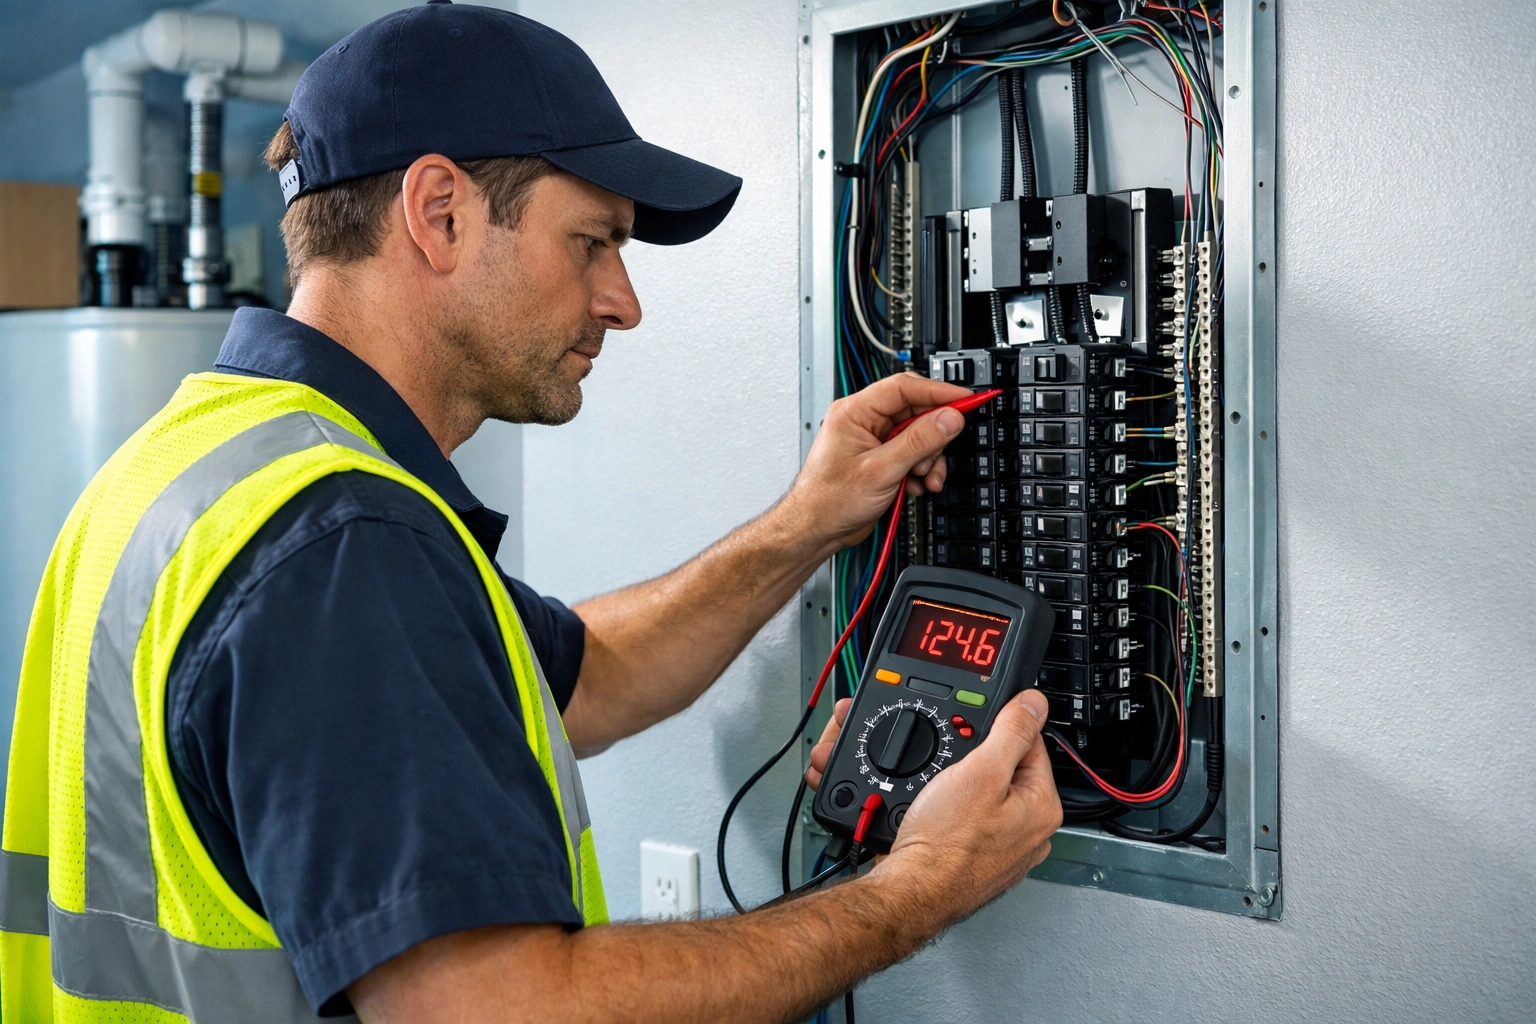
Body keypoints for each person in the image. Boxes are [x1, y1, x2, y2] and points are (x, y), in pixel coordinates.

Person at [0, 4, 1062, 1022]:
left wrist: (808, 521)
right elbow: (501, 1010)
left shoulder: (202, 466)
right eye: (593, 242)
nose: (623, 301)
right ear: (441, 213)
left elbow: (586, 677)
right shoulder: (339, 544)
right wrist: (920, 882)